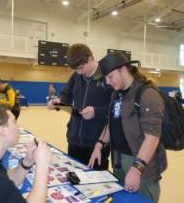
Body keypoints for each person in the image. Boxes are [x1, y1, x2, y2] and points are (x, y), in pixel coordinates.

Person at [88, 52, 167, 203]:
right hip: (119, 162)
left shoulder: (147, 94)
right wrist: (99, 145)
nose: (107, 82)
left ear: (123, 69)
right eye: (105, 78)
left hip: (141, 167)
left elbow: (152, 137)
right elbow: (112, 123)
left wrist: (136, 169)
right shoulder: (116, 94)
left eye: (110, 77)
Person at [47, 43, 112, 170]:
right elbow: (65, 94)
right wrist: (58, 101)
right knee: (74, 178)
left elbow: (117, 108)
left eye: (81, 68)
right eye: (76, 70)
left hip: (97, 141)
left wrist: (96, 112)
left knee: (97, 183)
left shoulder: (108, 77)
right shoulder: (77, 76)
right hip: (74, 139)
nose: (79, 72)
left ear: (90, 59)